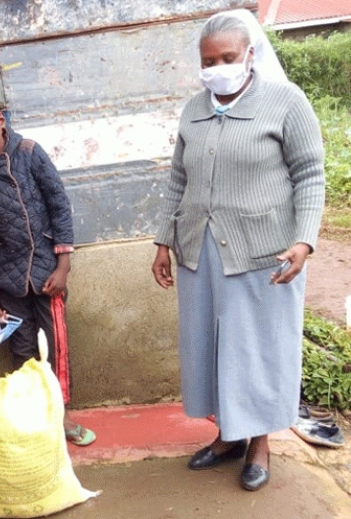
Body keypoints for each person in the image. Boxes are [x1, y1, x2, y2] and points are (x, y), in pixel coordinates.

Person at [152, 10, 325, 491]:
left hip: (263, 251)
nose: (218, 67)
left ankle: (261, 442)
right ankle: (228, 434)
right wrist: (163, 239)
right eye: (209, 60)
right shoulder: (194, 108)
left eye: (228, 57)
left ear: (251, 55)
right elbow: (177, 180)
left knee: (258, 349)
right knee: (210, 344)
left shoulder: (285, 102)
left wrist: (304, 240)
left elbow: (310, 174)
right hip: (199, 248)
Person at [0, 93, 96, 447]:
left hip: (47, 274)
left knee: (55, 346)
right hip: (7, 280)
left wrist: (63, 265)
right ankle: (35, 414)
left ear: (1, 120)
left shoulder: (29, 153)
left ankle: (63, 414)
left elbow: (59, 206)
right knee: (21, 350)